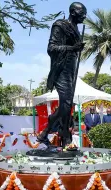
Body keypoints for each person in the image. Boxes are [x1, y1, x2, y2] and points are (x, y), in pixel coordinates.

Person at [36, 2, 87, 147]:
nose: (84, 16)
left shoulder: (76, 30)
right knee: (65, 103)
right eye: (81, 12)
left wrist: (77, 49)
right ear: (72, 12)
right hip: (60, 69)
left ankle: (46, 132)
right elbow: (51, 48)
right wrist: (72, 48)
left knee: (67, 104)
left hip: (71, 69)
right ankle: (65, 136)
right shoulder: (60, 25)